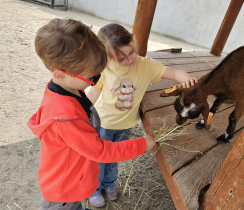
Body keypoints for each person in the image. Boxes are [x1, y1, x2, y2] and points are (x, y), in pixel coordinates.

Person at [27, 18, 155, 210]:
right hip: (64, 193)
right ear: (60, 74)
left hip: (70, 182)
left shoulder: (65, 89)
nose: (94, 82)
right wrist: (142, 144)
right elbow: (101, 151)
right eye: (92, 78)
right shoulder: (66, 117)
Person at [87, 23, 198, 207]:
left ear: (133, 41)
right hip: (104, 124)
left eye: (131, 52)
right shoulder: (104, 68)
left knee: (115, 158)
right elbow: (93, 93)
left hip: (125, 124)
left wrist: (185, 77)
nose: (130, 60)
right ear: (108, 55)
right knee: (99, 159)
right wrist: (80, 111)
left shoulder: (146, 65)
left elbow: (173, 72)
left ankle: (109, 184)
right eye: (121, 58)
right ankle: (94, 189)